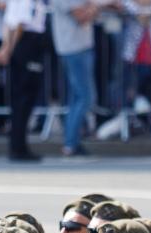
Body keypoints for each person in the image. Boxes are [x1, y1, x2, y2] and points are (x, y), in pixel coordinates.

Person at [0, 0, 50, 161]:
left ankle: (18, 145)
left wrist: (6, 46)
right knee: (25, 98)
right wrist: (8, 49)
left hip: (22, 41)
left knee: (20, 98)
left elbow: (9, 22)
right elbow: (21, 23)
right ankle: (18, 147)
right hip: (28, 41)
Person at [50, 0, 96, 157]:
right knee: (85, 97)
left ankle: (72, 141)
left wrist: (91, 8)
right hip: (73, 48)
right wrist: (96, 7)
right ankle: (70, 143)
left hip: (78, 46)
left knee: (76, 97)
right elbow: (81, 16)